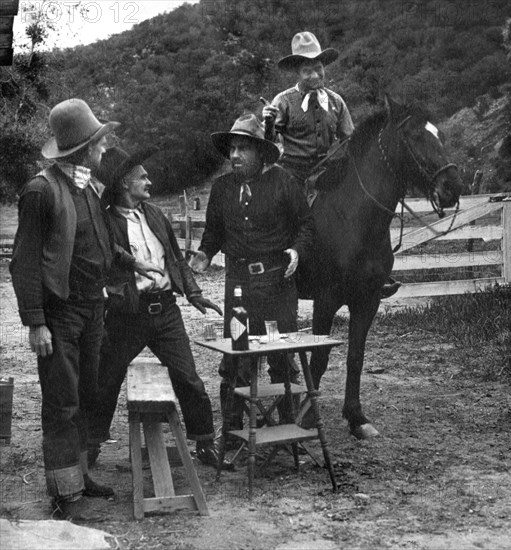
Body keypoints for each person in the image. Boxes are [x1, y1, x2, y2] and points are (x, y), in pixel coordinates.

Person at [9, 99, 162, 522]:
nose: (104, 147)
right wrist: (36, 322)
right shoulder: (41, 191)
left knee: (87, 395)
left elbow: (99, 244)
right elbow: (23, 262)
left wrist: (132, 262)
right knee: (61, 402)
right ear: (83, 148)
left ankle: (79, 475)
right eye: (99, 141)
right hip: (60, 316)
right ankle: (63, 492)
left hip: (93, 311)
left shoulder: (88, 188)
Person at [86, 146, 234, 472]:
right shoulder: (105, 221)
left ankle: (205, 442)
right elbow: (105, 255)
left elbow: (176, 259)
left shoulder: (154, 214)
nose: (149, 181)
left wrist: (194, 295)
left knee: (188, 378)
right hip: (127, 315)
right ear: (125, 183)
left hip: (166, 311)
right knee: (105, 379)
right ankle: (91, 444)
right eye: (143, 176)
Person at [187, 114, 314, 436]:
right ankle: (231, 431)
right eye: (232, 149)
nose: (234, 155)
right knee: (236, 356)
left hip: (276, 285)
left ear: (260, 153)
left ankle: (287, 428)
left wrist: (297, 251)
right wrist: (206, 253)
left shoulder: (284, 183)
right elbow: (214, 231)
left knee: (281, 357)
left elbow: (306, 225)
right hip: (238, 288)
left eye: (243, 148)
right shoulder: (222, 188)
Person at [263, 31, 401, 299]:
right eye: (307, 70)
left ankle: (373, 270)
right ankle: (280, 269)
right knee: (287, 216)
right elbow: (269, 144)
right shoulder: (282, 101)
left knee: (357, 206)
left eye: (318, 68)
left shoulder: (336, 102)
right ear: (297, 72)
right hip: (292, 172)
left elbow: (350, 139)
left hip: (328, 171)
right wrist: (268, 122)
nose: (314, 76)